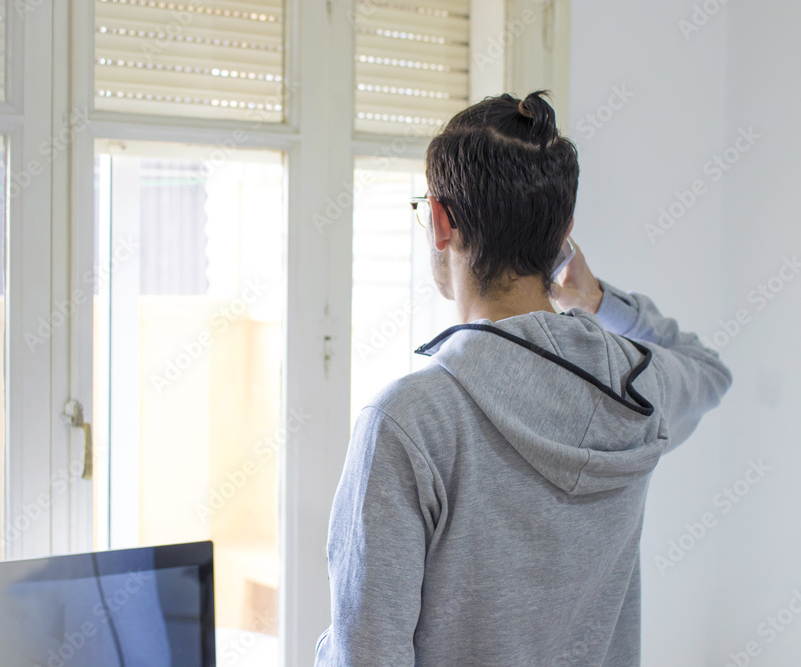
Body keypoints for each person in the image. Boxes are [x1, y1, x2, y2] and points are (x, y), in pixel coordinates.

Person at [313, 91, 732, 666]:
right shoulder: (637, 386)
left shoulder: (408, 421)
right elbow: (708, 369)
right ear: (563, 236)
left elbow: (366, 656)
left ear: (440, 222)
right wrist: (596, 298)